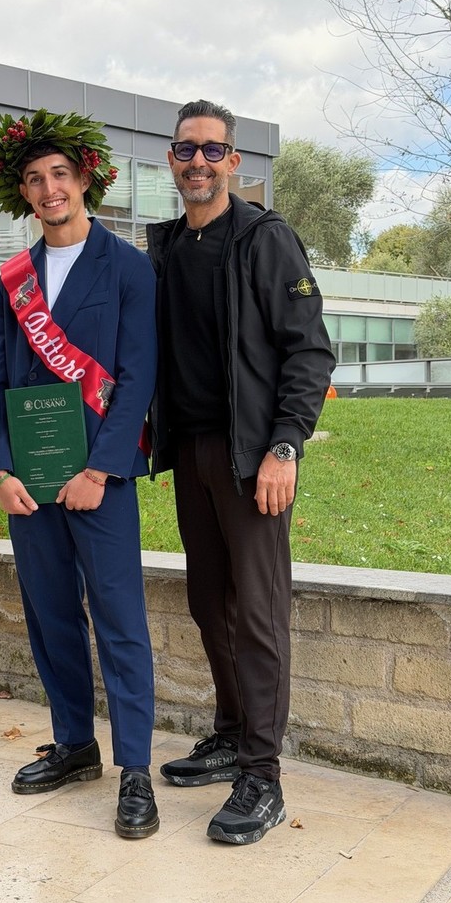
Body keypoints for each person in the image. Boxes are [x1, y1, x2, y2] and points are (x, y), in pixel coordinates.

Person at [147, 99, 336, 846]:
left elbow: (310, 353)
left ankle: (263, 775)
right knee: (206, 602)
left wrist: (284, 446)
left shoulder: (265, 239)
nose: (199, 162)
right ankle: (230, 733)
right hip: (190, 451)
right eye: (186, 150)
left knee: (257, 614)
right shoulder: (162, 247)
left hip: (252, 455)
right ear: (171, 159)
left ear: (236, 163)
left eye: (213, 151)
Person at [0, 109, 159, 839]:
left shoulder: (129, 266)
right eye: (35, 179)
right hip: (31, 481)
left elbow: (140, 375)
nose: (49, 188)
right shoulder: (13, 278)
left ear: (84, 180)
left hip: (99, 482)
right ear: (22, 193)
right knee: (50, 615)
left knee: (119, 622)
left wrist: (103, 469)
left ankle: (137, 771)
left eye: (60, 175)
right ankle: (75, 744)